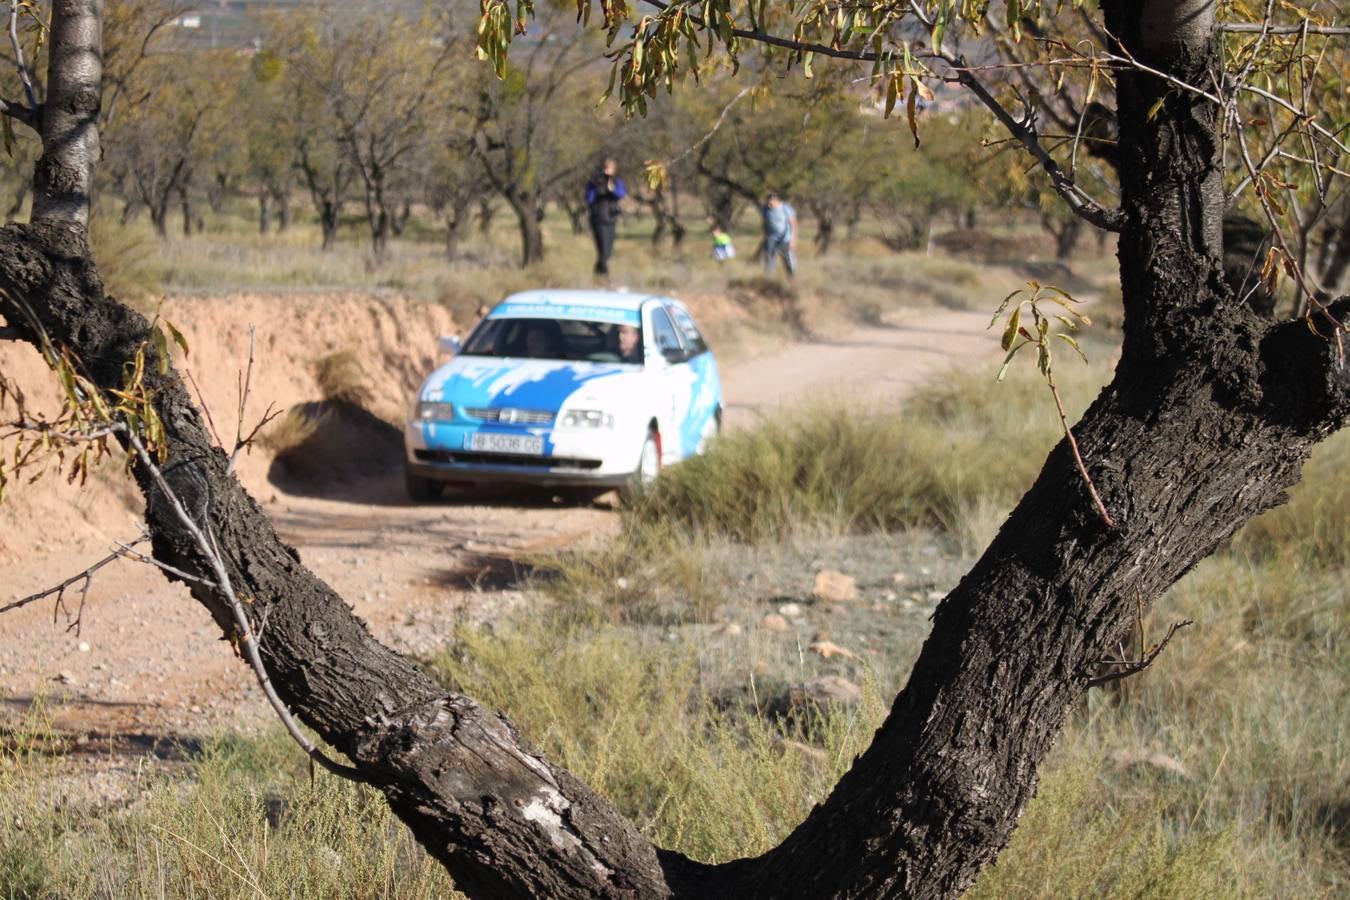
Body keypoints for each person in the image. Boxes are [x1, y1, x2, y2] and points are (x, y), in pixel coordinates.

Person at [585, 159, 626, 276]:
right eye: (605, 167)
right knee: (603, 251)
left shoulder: (617, 182)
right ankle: (603, 276)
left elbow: (621, 194)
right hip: (598, 220)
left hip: (611, 220)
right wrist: (596, 187)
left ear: (614, 169)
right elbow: (589, 199)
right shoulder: (594, 182)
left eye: (610, 168)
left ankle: (599, 274)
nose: (607, 170)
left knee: (608, 252)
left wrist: (611, 189)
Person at [761, 192, 797, 276]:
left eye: (771, 202)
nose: (769, 205)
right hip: (771, 237)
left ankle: (791, 277)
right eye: (768, 202)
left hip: (785, 238)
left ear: (776, 200)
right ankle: (768, 278)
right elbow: (765, 223)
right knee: (769, 258)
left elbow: (793, 224)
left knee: (787, 259)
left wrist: (793, 239)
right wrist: (765, 236)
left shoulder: (785, 208)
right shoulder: (765, 209)